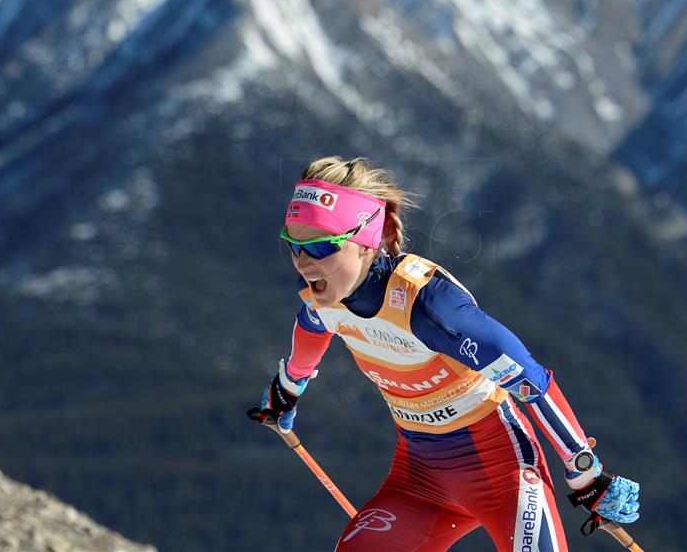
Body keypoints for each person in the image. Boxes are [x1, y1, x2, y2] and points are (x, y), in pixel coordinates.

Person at [249, 156, 640, 551]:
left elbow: (530, 381)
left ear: (368, 239)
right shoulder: (326, 299)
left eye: (320, 245)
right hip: (420, 481)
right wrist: (288, 387)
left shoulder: (428, 306)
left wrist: (585, 474)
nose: (304, 264)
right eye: (294, 245)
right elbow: (313, 327)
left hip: (503, 473)